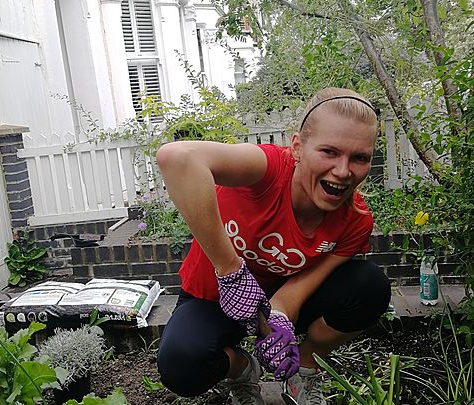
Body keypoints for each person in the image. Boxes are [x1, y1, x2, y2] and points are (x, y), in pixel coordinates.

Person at [156, 87, 391, 405]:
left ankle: (306, 368)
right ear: (297, 148)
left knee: (370, 286)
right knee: (180, 365)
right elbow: (177, 158)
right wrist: (231, 270)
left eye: (359, 157)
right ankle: (243, 370)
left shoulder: (354, 221)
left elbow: (295, 292)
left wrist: (276, 323)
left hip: (274, 296)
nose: (343, 170)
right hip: (212, 297)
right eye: (329, 152)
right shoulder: (265, 170)